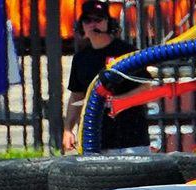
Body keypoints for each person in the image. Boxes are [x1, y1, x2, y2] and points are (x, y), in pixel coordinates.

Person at [62, 0, 152, 153]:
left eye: (98, 20)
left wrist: (120, 100)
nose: (92, 24)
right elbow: (76, 95)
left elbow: (147, 87)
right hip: (97, 141)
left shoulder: (126, 52)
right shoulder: (81, 58)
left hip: (132, 140)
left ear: (108, 24)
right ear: (81, 26)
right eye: (87, 20)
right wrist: (68, 129)